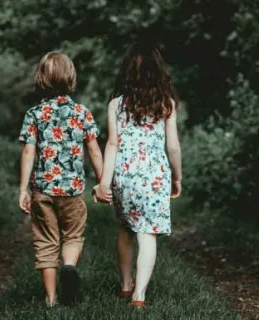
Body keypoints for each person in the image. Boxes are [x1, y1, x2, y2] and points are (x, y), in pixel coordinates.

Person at [93, 43, 182, 308]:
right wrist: (177, 177)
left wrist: (105, 182)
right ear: (158, 71)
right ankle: (139, 296)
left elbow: (112, 144)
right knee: (147, 234)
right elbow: (173, 146)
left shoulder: (116, 105)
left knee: (125, 228)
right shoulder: (166, 104)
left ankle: (125, 285)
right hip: (154, 174)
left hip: (125, 174)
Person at [18, 51, 103, 307]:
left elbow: (28, 151)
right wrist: (102, 182)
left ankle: (51, 298)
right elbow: (95, 150)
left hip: (43, 190)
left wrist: (23, 189)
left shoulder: (34, 114)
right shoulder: (82, 113)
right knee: (73, 236)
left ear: (42, 77)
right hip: (73, 190)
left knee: (45, 241)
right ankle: (68, 266)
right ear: (71, 77)